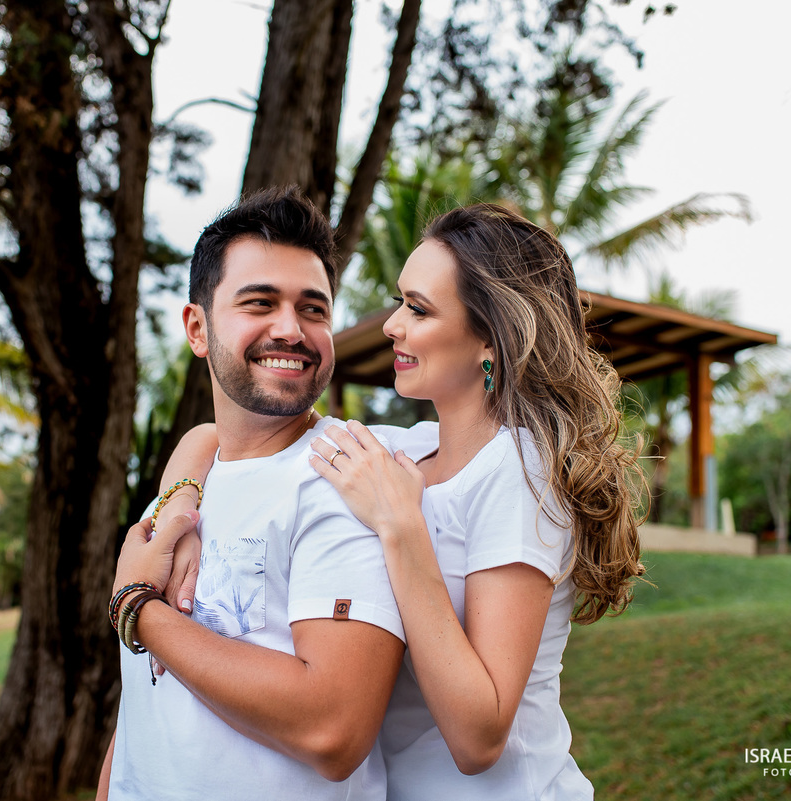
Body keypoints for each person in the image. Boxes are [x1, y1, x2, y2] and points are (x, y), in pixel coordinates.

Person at [159, 203, 646, 799]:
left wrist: (401, 530)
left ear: (489, 338)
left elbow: (479, 737)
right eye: (400, 302)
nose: (392, 325)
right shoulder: (408, 451)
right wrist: (178, 508)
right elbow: (220, 433)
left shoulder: (519, 472)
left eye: (418, 309)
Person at [99, 186, 405, 801]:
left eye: (313, 309)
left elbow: (333, 728)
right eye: (259, 303)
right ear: (197, 327)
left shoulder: (345, 476)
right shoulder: (189, 480)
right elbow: (145, 704)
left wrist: (137, 607)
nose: (290, 330)